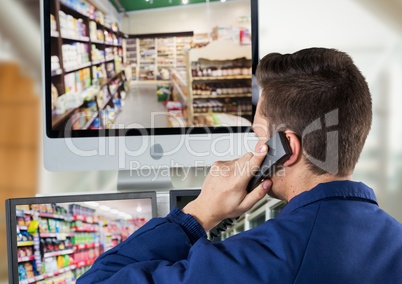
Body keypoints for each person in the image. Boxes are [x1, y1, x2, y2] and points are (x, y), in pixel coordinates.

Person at [78, 48, 402, 283]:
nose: (256, 147)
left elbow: (97, 281)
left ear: (286, 147)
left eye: (260, 135)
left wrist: (198, 214)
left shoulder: (255, 262)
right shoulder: (395, 240)